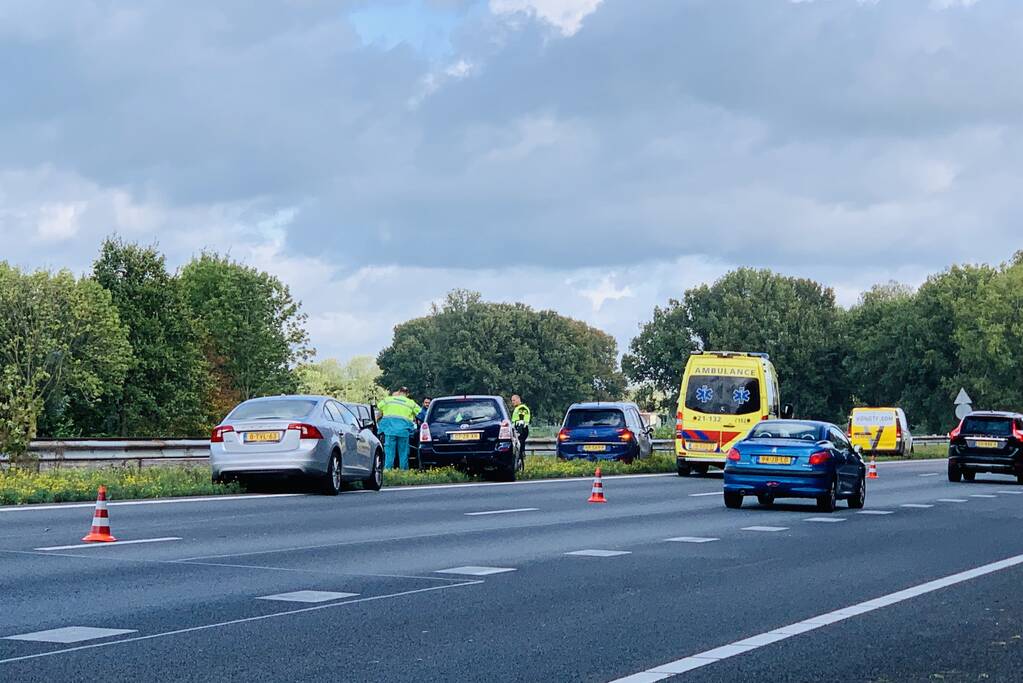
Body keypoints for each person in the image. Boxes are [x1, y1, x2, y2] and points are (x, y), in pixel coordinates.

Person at [377, 388, 421, 471]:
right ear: (407, 394)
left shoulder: (388, 400)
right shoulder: (410, 403)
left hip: (389, 431)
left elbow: (379, 407)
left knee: (389, 453)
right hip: (403, 431)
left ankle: (388, 471)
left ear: (399, 392)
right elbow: (421, 413)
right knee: (403, 453)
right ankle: (404, 472)